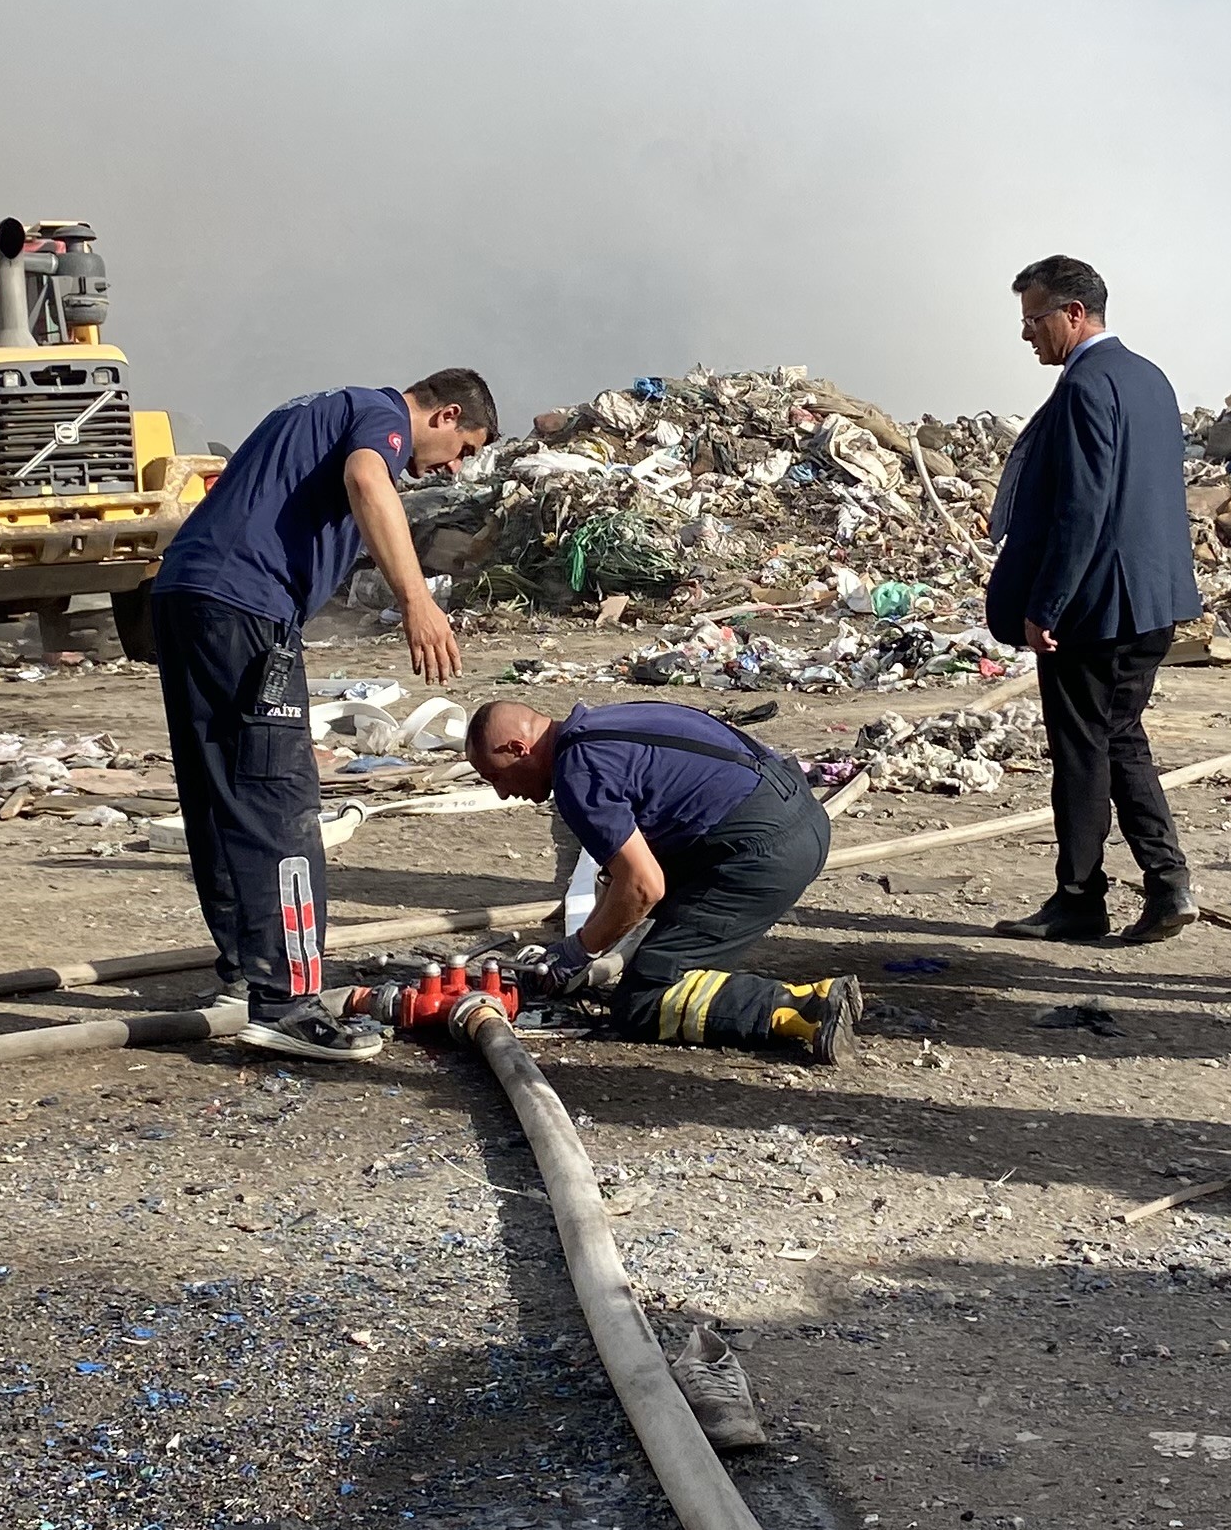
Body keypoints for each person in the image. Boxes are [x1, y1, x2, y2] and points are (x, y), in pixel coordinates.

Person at [146, 370, 497, 1059]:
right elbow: (369, 480)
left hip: (185, 595)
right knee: (281, 799)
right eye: (462, 448)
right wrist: (416, 601)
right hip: (247, 607)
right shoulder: (377, 418)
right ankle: (288, 1002)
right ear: (444, 413)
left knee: (220, 795)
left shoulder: (314, 409)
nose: (452, 468)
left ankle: (244, 977)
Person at [982, 255, 1203, 946]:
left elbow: (1084, 506)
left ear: (1074, 314)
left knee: (1082, 751)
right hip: (1153, 600)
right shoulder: (1148, 377)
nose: (1027, 336)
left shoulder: (1085, 386)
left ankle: (1079, 897)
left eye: (1033, 319)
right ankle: (1168, 887)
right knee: (1119, 737)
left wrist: (1047, 604)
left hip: (1096, 606)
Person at [465, 700, 861, 1063]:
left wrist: (575, 954)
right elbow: (629, 875)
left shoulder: (578, 774)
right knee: (651, 924)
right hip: (800, 813)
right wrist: (590, 941)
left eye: (495, 777)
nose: (502, 794)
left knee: (644, 999)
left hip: (765, 851)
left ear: (518, 749)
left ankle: (807, 1007)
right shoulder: (607, 722)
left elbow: (642, 887)